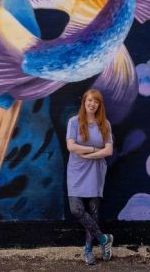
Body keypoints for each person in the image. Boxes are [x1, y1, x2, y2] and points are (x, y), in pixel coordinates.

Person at [66, 89, 114, 265]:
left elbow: (108, 150)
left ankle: (88, 251)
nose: (92, 104)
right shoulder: (73, 122)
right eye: (89, 100)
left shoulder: (105, 124)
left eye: (96, 101)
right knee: (76, 209)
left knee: (93, 213)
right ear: (84, 102)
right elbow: (71, 146)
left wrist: (89, 155)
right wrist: (94, 150)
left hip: (96, 170)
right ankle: (104, 239)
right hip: (76, 170)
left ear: (99, 105)